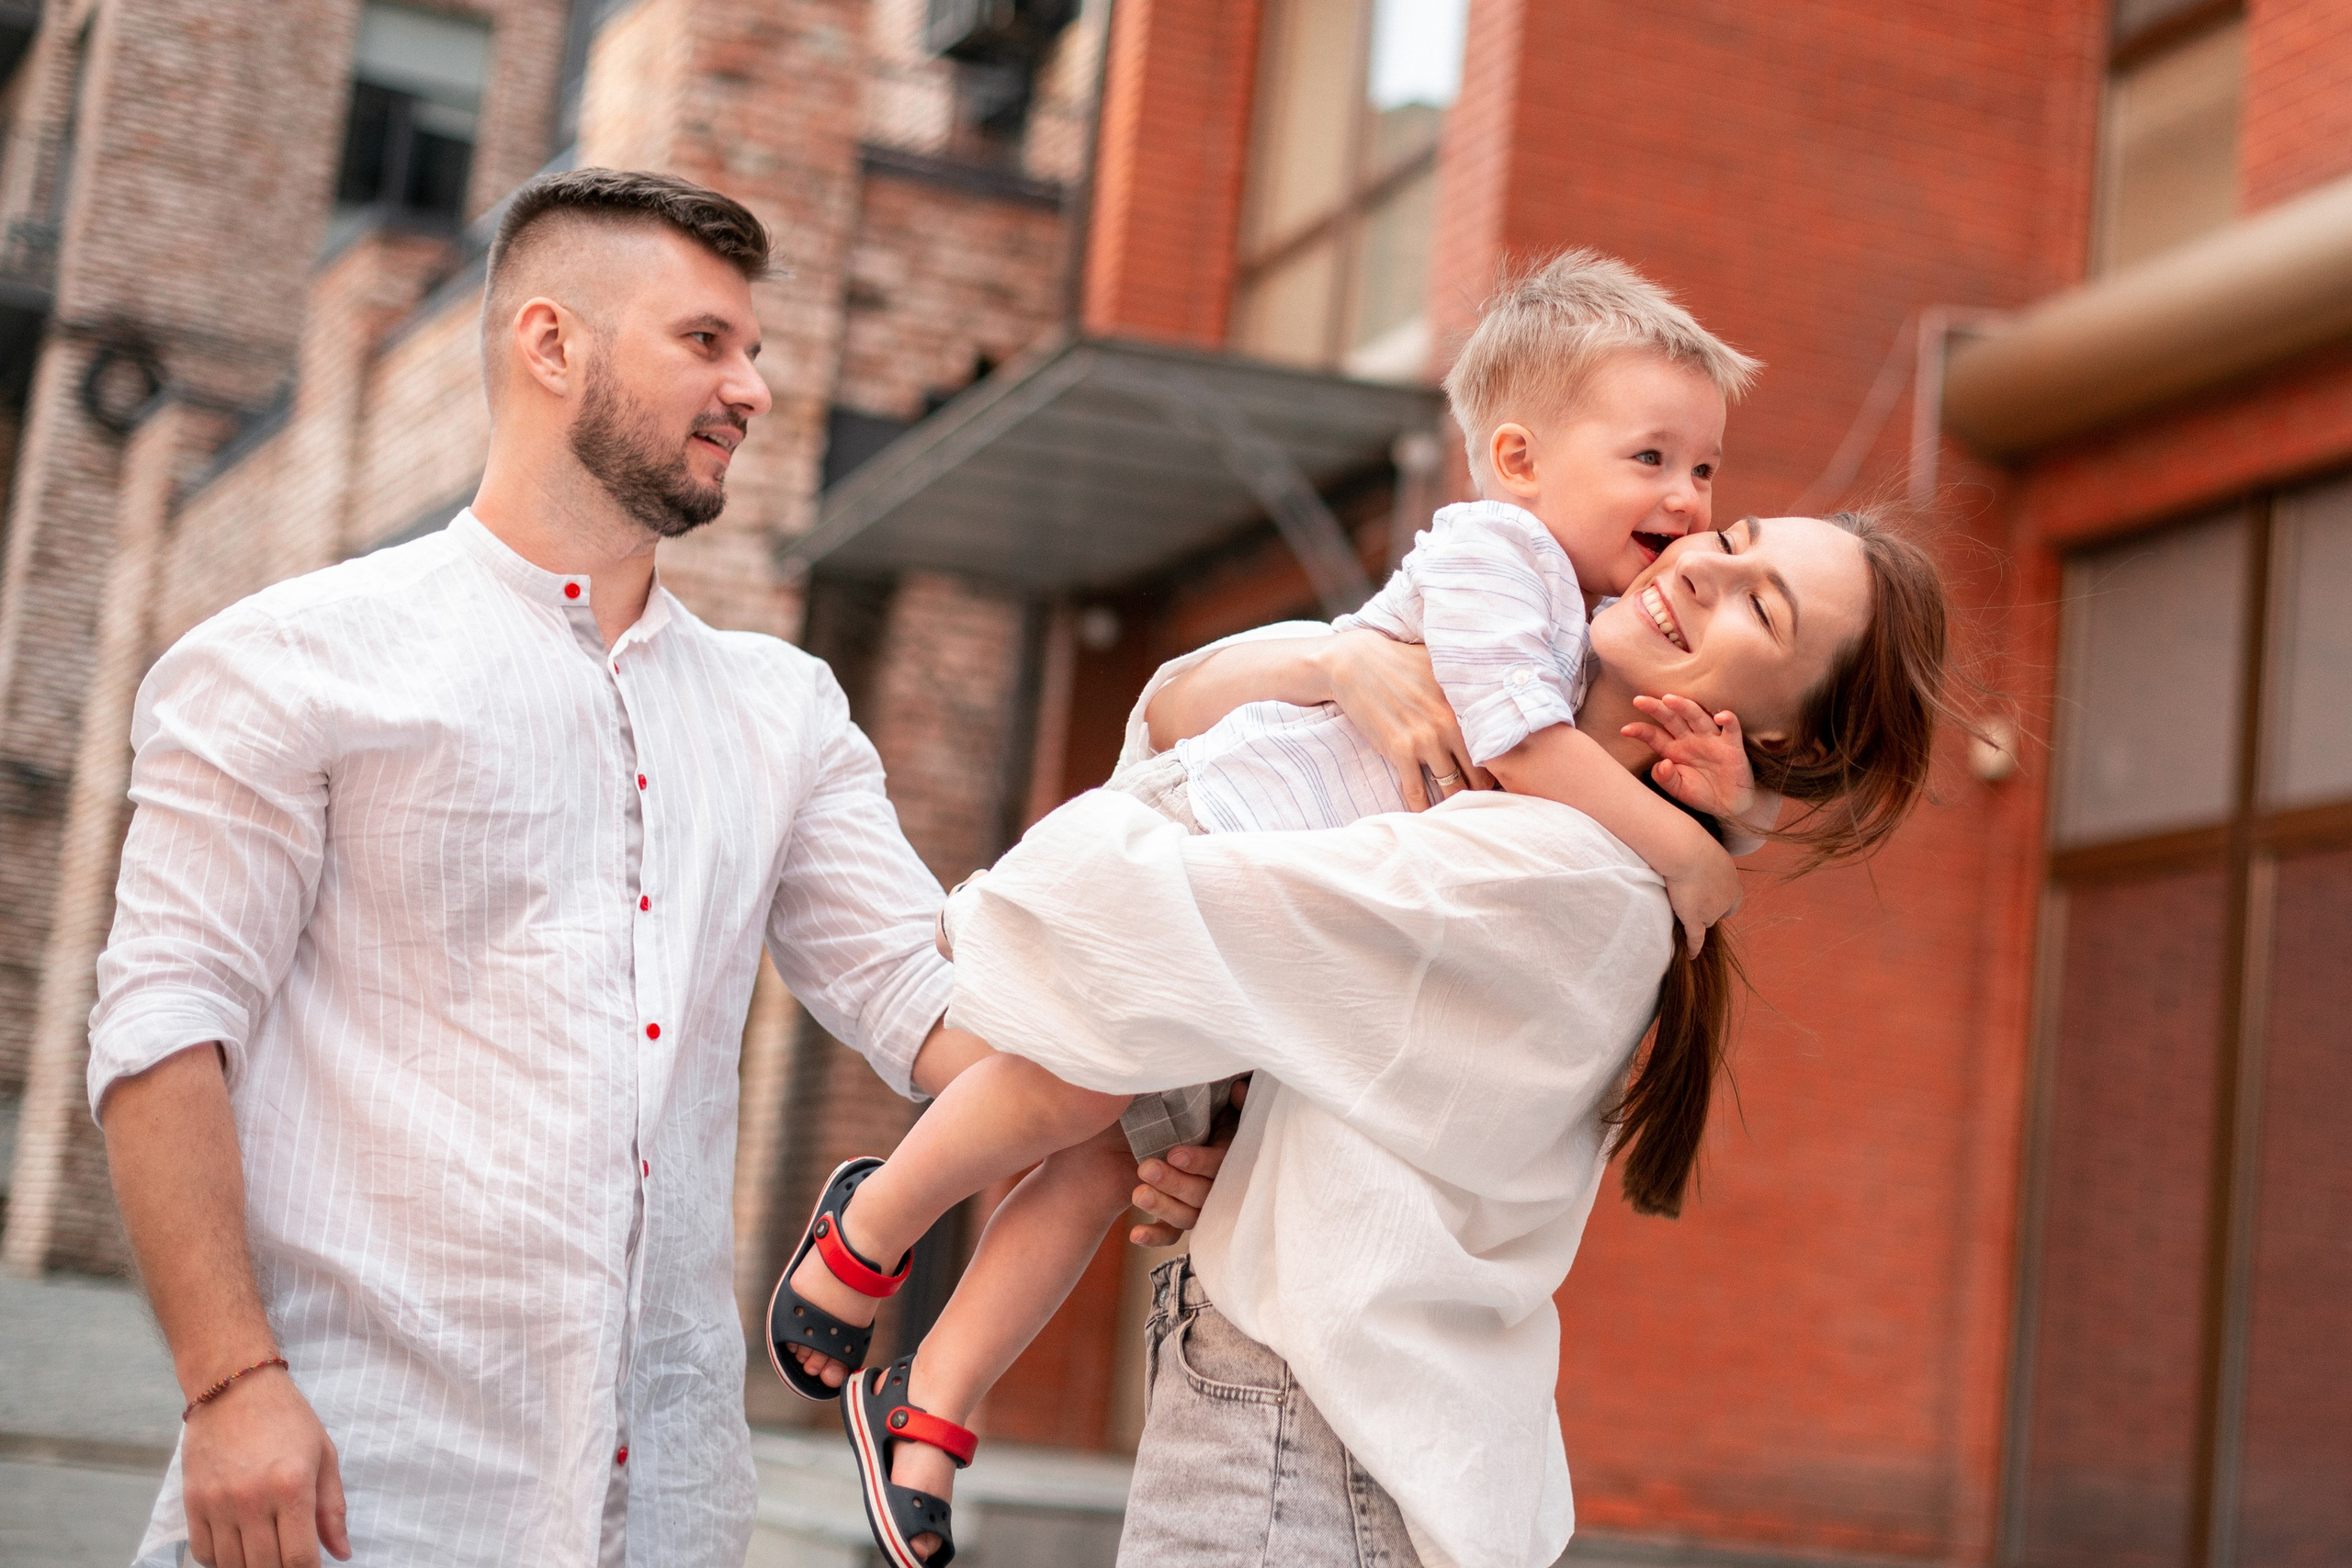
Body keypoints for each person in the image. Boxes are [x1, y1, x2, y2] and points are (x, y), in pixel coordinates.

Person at [84, 167, 1208, 1568]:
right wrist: (230, 1384)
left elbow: (929, 1005)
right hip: (352, 1485)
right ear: (550, 345)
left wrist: (1127, 1121)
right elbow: (162, 1032)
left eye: (756, 348)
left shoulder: (781, 712)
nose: (756, 387)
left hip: (671, 1508)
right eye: (706, 342)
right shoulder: (286, 661)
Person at [767, 266, 1943, 1568]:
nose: (1693, 548)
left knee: (1078, 1095)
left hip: (1301, 1433)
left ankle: (892, 1297)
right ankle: (918, 1371)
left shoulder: (1566, 863)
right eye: (1729, 539)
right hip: (1302, 1410)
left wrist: (1711, 838)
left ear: (1773, 727)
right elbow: (1180, 718)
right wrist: (1346, 665)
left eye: (1754, 596)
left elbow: (1143, 907)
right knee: (1089, 1117)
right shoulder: (1548, 669)